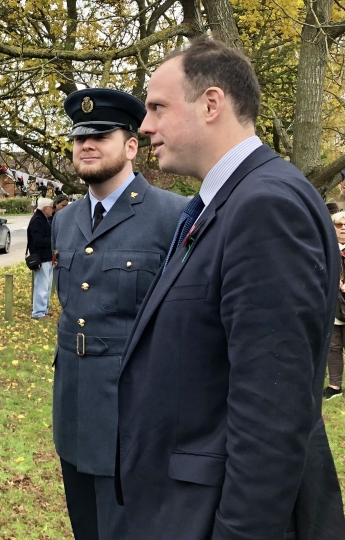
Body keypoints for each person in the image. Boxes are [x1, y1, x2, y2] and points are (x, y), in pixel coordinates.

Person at [118, 36, 345, 539]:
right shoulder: (229, 200)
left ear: (211, 103)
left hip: (219, 516)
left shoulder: (265, 207)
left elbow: (271, 417)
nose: (145, 125)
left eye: (157, 106)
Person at [50, 88, 187, 540]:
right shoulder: (65, 221)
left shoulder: (174, 216)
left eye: (101, 136)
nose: (86, 146)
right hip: (73, 406)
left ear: (131, 146)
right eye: (79, 138)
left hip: (134, 413)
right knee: (85, 528)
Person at [325, 210, 345, 400]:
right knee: (333, 347)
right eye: (339, 225)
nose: (344, 228)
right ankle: (334, 386)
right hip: (334, 307)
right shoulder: (327, 250)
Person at [28, 197, 54, 319]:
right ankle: (38, 312)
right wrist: (53, 241)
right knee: (41, 286)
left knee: (47, 285)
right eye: (51, 207)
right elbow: (37, 241)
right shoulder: (37, 220)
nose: (53, 209)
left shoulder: (43, 219)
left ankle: (44, 309)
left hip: (47, 256)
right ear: (45, 208)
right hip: (41, 257)